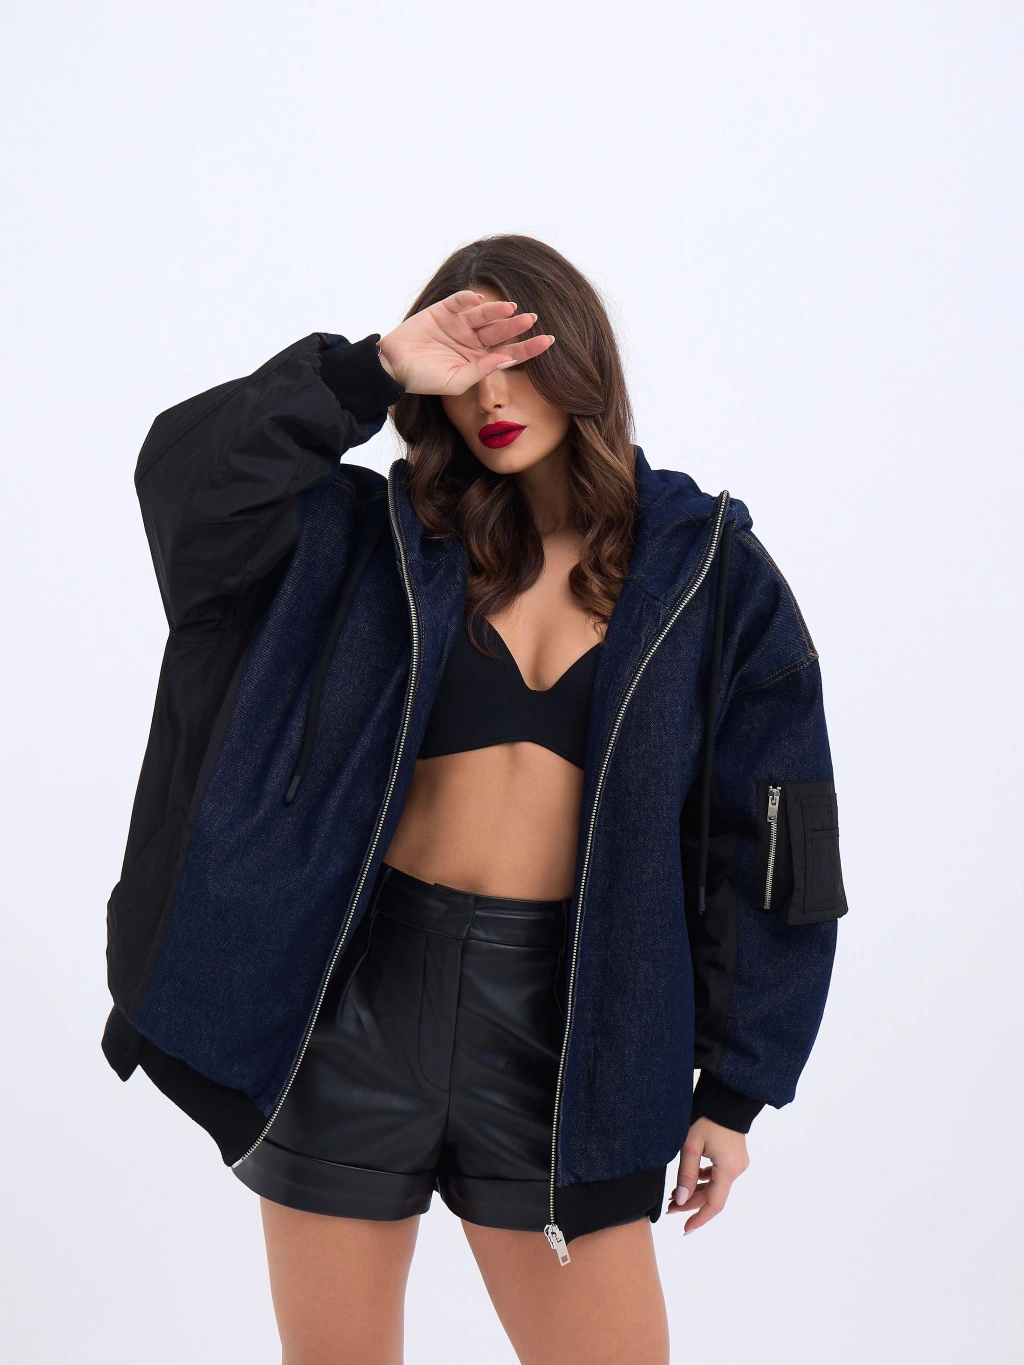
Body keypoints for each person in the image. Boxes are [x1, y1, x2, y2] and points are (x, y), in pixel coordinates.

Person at [102, 235, 847, 1364]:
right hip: (355, 1013)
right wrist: (368, 370)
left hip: (575, 1031)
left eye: (520, 358)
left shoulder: (707, 571)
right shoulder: (370, 539)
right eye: (466, 365)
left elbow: (780, 845)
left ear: (582, 360)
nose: (492, 398)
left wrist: (738, 1087)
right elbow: (186, 484)